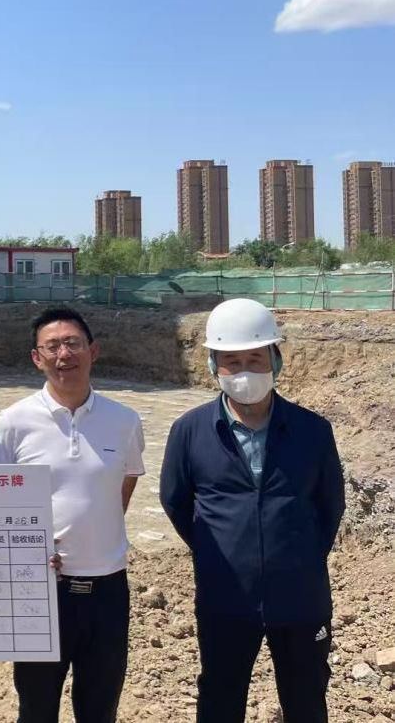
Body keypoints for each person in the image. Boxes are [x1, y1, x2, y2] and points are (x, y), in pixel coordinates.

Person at [160, 298, 345, 723]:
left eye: (255, 359)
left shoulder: (313, 431)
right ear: (213, 366)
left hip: (301, 598)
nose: (244, 371)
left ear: (275, 360)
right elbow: (176, 501)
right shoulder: (189, 431)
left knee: (306, 700)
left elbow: (329, 506)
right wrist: (220, 550)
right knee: (220, 701)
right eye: (232, 361)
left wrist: (295, 555)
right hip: (225, 597)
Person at [0, 306, 145, 723]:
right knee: (36, 707)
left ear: (93, 351)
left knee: (100, 708)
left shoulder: (124, 421)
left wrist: (94, 534)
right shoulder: (12, 423)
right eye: (52, 346)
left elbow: (123, 487)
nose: (64, 355)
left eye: (73, 343)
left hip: (108, 590)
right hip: (40, 593)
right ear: (36, 358)